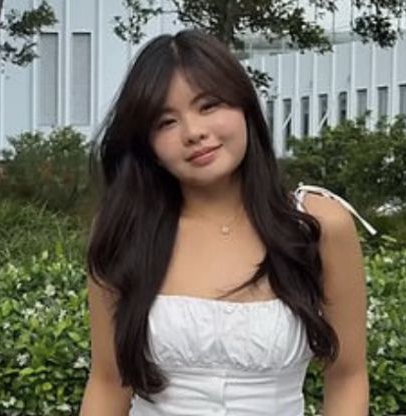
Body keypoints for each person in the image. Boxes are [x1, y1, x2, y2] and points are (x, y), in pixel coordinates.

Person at [79, 29, 376, 416]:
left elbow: (348, 376)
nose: (194, 132)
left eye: (208, 105)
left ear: (245, 106)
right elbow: (107, 382)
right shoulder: (123, 231)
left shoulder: (317, 225)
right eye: (166, 122)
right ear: (146, 145)